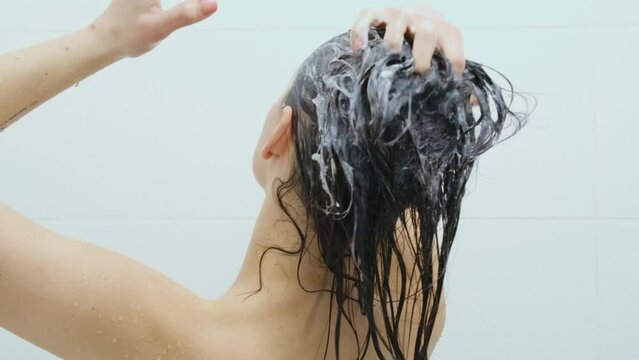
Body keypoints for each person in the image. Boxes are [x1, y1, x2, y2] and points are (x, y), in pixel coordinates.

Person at [0, 1, 527, 359]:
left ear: (280, 135)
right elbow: (396, 168)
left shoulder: (179, 342)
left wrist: (103, 39)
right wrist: (421, 80)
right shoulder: (412, 316)